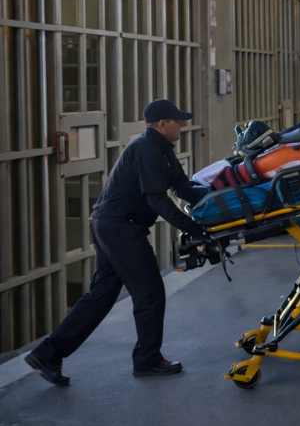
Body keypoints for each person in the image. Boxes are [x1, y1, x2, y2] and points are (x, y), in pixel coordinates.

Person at [25, 100, 209, 385]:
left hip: (110, 225)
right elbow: (157, 200)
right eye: (178, 121)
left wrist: (220, 196)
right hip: (119, 228)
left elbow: (182, 187)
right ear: (162, 124)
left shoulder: (162, 151)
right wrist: (195, 229)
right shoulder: (146, 149)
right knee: (149, 291)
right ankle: (147, 360)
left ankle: (47, 353)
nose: (182, 126)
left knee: (101, 295)